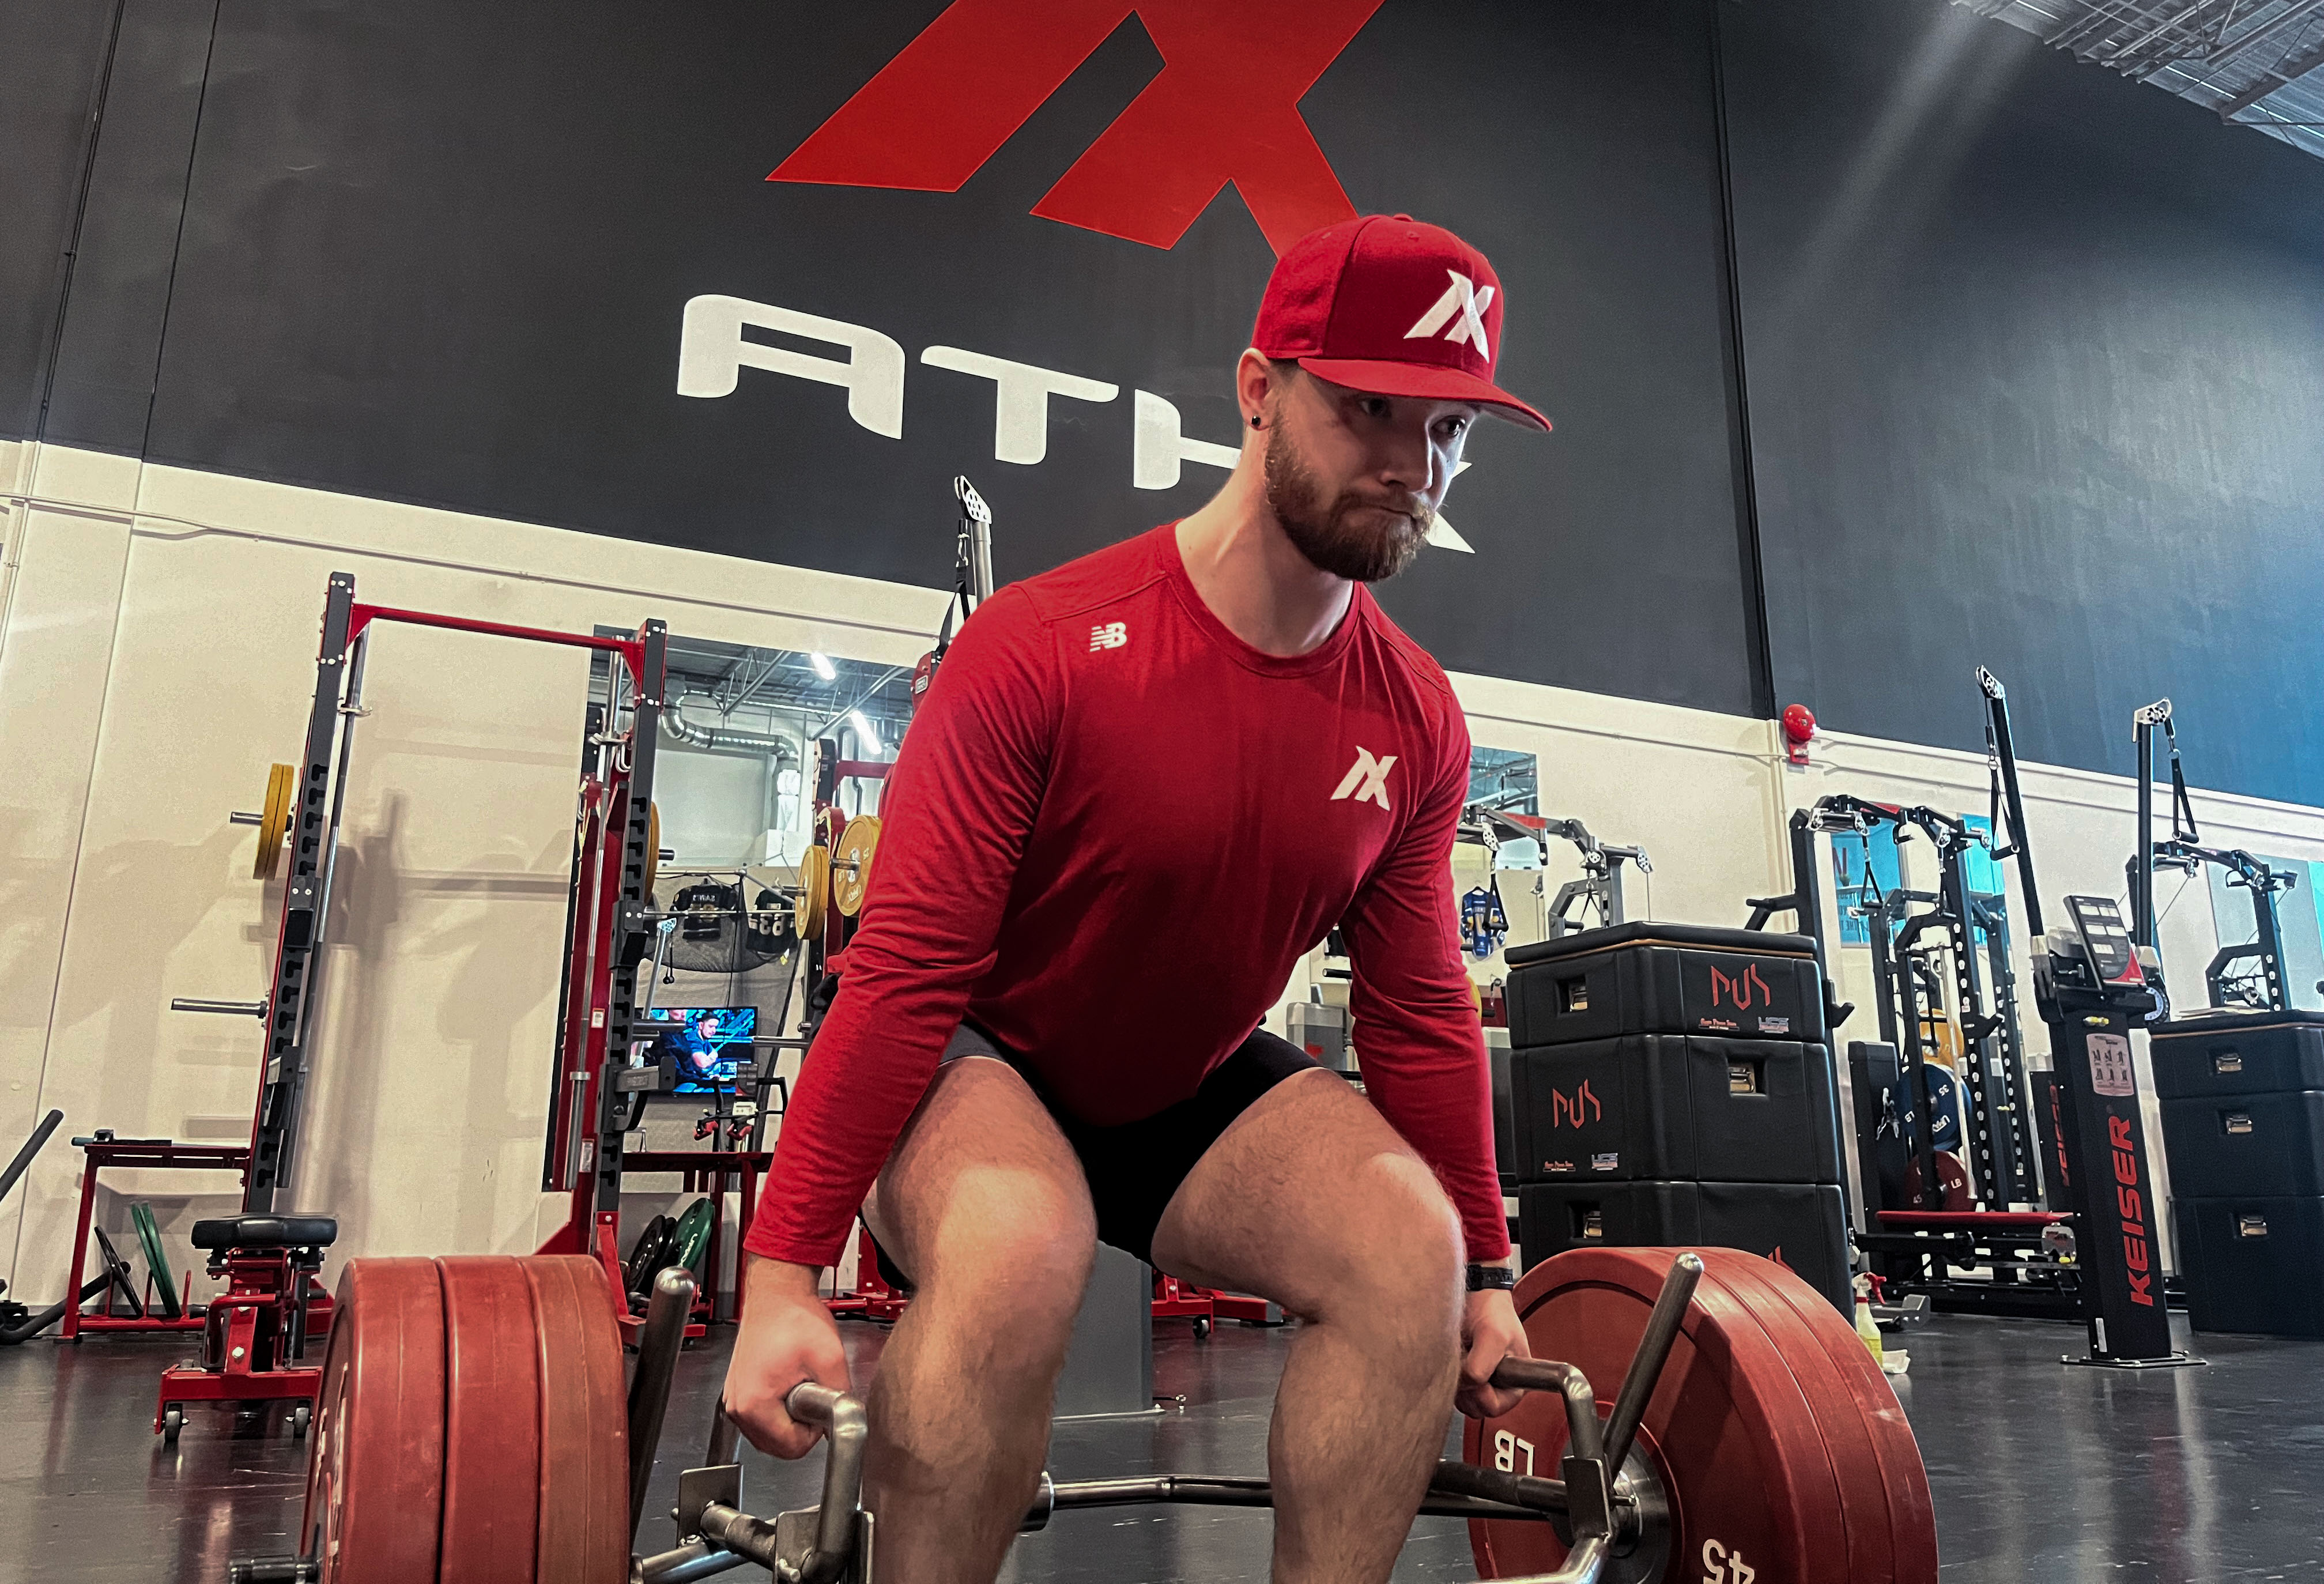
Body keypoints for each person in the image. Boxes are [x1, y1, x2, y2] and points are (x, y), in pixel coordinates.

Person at [725, 215, 1553, 1584]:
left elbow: (1417, 1010)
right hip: (980, 1049)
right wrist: (779, 1273)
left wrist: (1486, 1273)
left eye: (1451, 430)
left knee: (1409, 1245)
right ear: (1259, 389)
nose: (1416, 466)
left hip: (1181, 1081)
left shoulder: (1415, 715)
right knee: (1017, 1242)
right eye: (1370, 409)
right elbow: (910, 968)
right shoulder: (1040, 648)